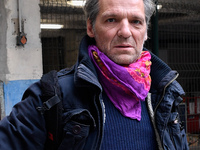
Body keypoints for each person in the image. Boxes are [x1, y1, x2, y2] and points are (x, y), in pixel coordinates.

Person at [0, 0, 189, 149]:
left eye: (136, 22)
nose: (125, 31)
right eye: (112, 20)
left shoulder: (164, 94)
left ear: (146, 31)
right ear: (90, 27)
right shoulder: (50, 97)